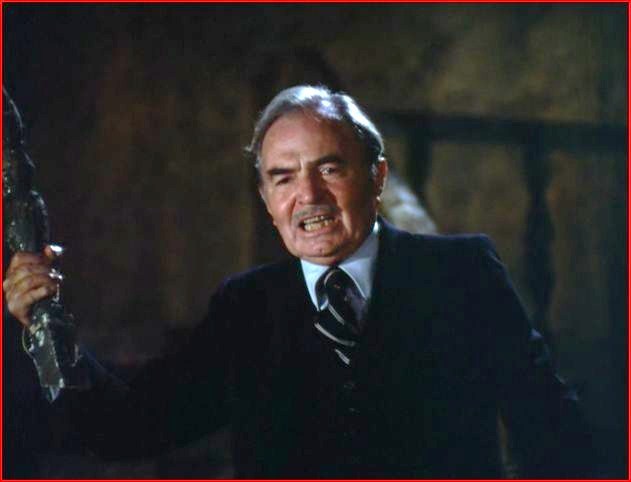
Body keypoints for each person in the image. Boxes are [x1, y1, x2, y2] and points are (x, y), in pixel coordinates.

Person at [4, 85, 592, 478]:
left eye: (329, 168)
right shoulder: (244, 307)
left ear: (377, 177)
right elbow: (127, 429)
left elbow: (551, 427)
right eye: (283, 178)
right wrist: (46, 327)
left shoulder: (461, 275)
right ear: (266, 200)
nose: (308, 197)